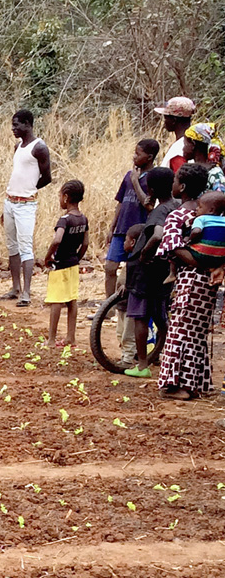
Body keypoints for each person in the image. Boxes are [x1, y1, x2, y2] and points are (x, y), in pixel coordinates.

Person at [156, 165, 217, 400]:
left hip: (189, 279)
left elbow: (170, 247)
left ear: (181, 187)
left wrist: (196, 262)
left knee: (180, 329)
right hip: (209, 282)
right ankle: (196, 383)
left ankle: (176, 386)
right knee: (197, 333)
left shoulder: (178, 215)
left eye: (175, 181)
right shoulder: (212, 215)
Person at [122, 167, 178, 378]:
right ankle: (164, 354)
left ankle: (143, 364)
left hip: (145, 272)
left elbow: (158, 234)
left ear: (151, 189)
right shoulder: (177, 206)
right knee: (160, 315)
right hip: (164, 270)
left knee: (140, 317)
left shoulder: (160, 210)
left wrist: (145, 253)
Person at [0, 109, 52, 307]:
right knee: (12, 246)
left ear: (28, 124)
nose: (13, 129)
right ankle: (15, 288)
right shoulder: (18, 146)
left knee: (25, 247)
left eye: (16, 125)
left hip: (25, 204)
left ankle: (26, 292)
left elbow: (47, 177)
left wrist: (29, 189)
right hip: (10, 201)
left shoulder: (39, 148)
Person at [104, 138, 159, 299]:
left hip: (139, 231)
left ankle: (127, 305)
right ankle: (109, 306)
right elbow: (120, 203)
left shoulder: (153, 177)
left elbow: (148, 205)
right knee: (110, 267)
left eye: (138, 154)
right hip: (122, 228)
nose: (134, 157)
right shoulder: (129, 175)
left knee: (133, 268)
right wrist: (112, 228)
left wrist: (136, 181)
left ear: (149, 157)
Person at [43, 180, 88, 348]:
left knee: (56, 301)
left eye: (60, 196)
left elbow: (57, 239)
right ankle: (71, 337)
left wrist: (48, 256)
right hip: (73, 265)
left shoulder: (64, 220)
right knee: (71, 300)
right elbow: (85, 243)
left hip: (59, 264)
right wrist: (77, 257)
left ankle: (51, 340)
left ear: (66, 197)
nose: (59, 199)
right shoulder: (83, 219)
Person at [155, 97, 196, 174]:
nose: (164, 122)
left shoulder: (179, 149)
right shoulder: (198, 140)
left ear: (174, 120)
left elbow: (181, 179)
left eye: (166, 118)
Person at [183, 123, 225, 192]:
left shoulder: (214, 174)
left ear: (193, 144)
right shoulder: (191, 168)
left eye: (185, 144)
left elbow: (220, 198)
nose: (183, 148)